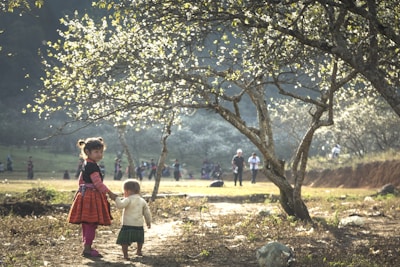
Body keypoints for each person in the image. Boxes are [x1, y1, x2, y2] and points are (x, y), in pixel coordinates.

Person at [67, 137, 117, 258]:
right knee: (91, 223)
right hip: (92, 197)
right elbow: (98, 184)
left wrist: (82, 191)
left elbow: (80, 180)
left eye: (101, 152)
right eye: (96, 152)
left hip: (85, 195)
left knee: (87, 224)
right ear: (87, 152)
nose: (99, 154)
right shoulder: (93, 166)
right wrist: (110, 193)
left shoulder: (86, 163)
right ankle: (88, 249)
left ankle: (87, 246)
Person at [111, 179, 151, 259]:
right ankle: (139, 251)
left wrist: (116, 199)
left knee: (124, 241)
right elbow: (147, 213)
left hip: (127, 224)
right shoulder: (142, 201)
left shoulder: (128, 199)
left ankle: (126, 255)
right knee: (139, 239)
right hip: (139, 225)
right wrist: (148, 222)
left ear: (128, 191)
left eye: (124, 191)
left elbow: (120, 206)